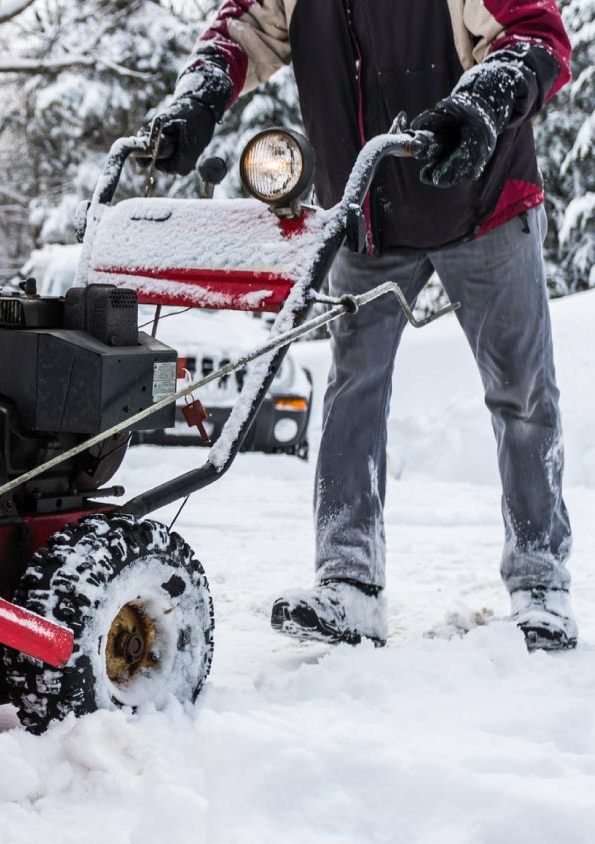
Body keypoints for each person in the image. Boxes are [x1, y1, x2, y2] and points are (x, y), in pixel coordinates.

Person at [143, 0, 577, 651]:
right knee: (353, 390)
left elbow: (537, 34)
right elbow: (241, 30)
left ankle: (540, 584)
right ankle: (350, 584)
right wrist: (201, 98)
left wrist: (485, 98)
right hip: (367, 213)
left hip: (480, 199)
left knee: (522, 391)